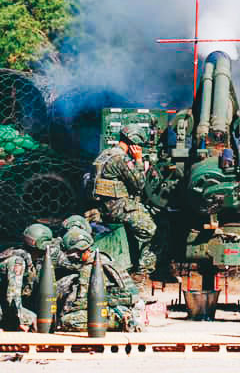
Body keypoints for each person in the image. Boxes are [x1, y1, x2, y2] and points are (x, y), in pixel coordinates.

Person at [91, 123, 157, 283]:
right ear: (133, 143)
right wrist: (139, 160)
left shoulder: (106, 153)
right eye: (139, 145)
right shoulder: (121, 158)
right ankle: (140, 271)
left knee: (143, 212)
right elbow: (139, 184)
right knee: (150, 229)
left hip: (103, 205)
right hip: (116, 207)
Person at [54, 229, 143, 332]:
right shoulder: (104, 258)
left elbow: (81, 303)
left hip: (112, 310)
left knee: (68, 321)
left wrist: (65, 308)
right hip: (127, 306)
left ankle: (117, 323)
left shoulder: (88, 269)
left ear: (76, 252)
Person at [0, 223, 53, 330]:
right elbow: (12, 298)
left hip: (8, 307)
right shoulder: (17, 261)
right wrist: (25, 319)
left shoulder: (33, 261)